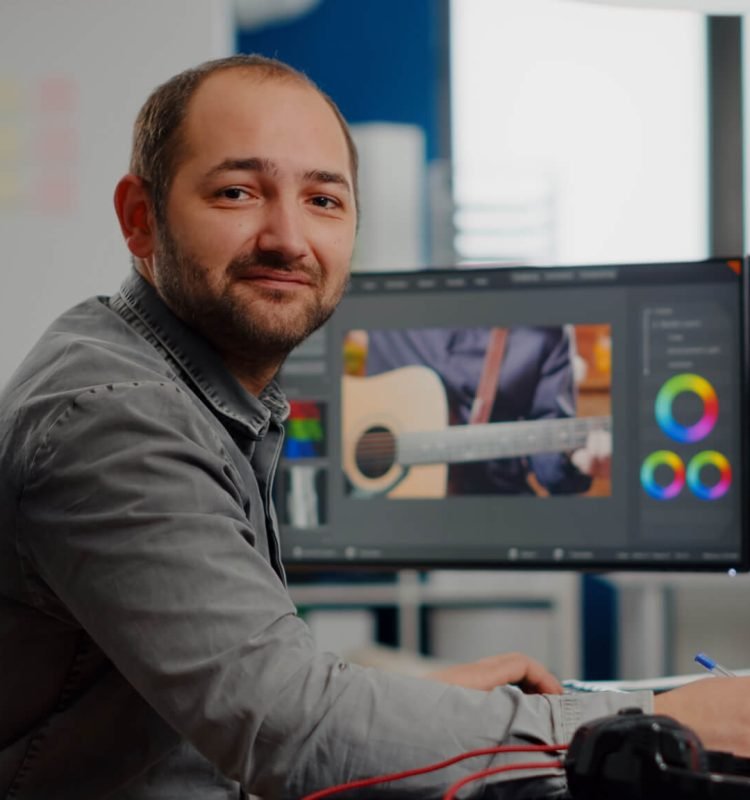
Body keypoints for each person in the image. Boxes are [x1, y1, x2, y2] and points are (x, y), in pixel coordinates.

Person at [0, 54, 748, 800]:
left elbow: (245, 698)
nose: (288, 237)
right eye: (237, 192)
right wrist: (647, 720)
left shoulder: (191, 388)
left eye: (324, 200)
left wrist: (434, 711)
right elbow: (287, 730)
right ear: (140, 217)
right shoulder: (115, 418)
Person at [360, 326, 610, 496]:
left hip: (496, 508)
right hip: (383, 514)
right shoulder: (392, 318)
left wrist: (573, 459)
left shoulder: (543, 332)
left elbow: (548, 458)